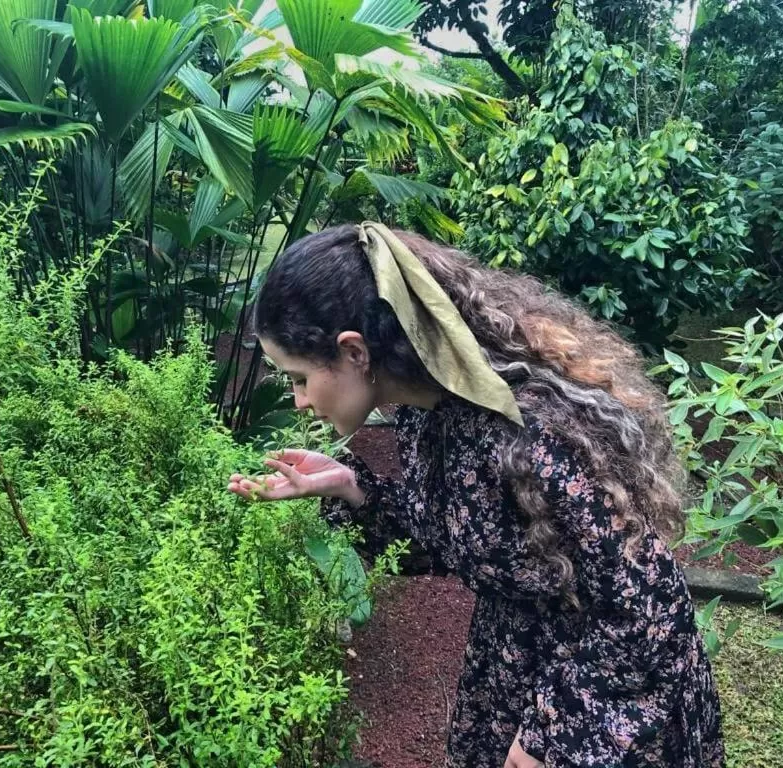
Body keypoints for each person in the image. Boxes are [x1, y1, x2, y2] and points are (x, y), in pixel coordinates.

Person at [227, 222, 724, 768]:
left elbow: (648, 609)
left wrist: (551, 735)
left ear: (354, 352)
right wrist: (349, 488)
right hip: (513, 674)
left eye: (299, 378)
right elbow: (460, 538)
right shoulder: (426, 411)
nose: (299, 401)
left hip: (604, 704)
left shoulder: (528, 436)